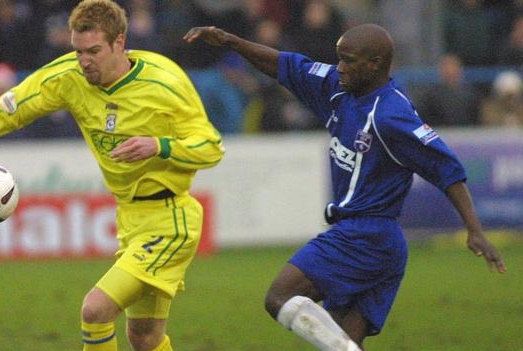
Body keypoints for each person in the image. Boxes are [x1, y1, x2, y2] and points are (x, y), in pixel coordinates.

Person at [0, 1, 225, 350]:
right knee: (145, 338)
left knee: (95, 311)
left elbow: (211, 147)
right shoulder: (69, 76)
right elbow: (13, 107)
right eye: (78, 51)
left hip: (171, 221)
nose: (84, 61)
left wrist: (160, 146)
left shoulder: (165, 82)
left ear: (120, 42)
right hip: (131, 219)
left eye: (94, 51)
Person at [184, 24, 506, 350]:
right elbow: (284, 65)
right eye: (339, 58)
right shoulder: (338, 87)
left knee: (280, 297)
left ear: (375, 63)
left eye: (348, 60)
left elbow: (447, 168)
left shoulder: (392, 115)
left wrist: (474, 228)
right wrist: (231, 41)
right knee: (340, 337)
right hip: (379, 245)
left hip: (365, 236)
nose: (339, 67)